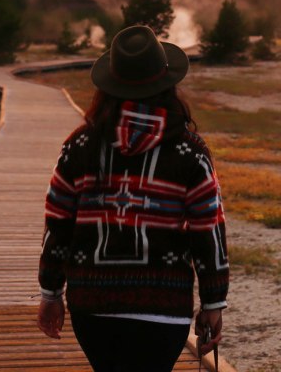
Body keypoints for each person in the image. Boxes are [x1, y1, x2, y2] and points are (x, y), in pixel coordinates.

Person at [37, 25, 229, 372]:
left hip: (92, 306)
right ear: (168, 84)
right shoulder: (190, 152)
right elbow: (208, 229)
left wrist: (51, 292)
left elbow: (58, 224)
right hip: (164, 309)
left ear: (108, 86)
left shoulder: (79, 146)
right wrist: (213, 302)